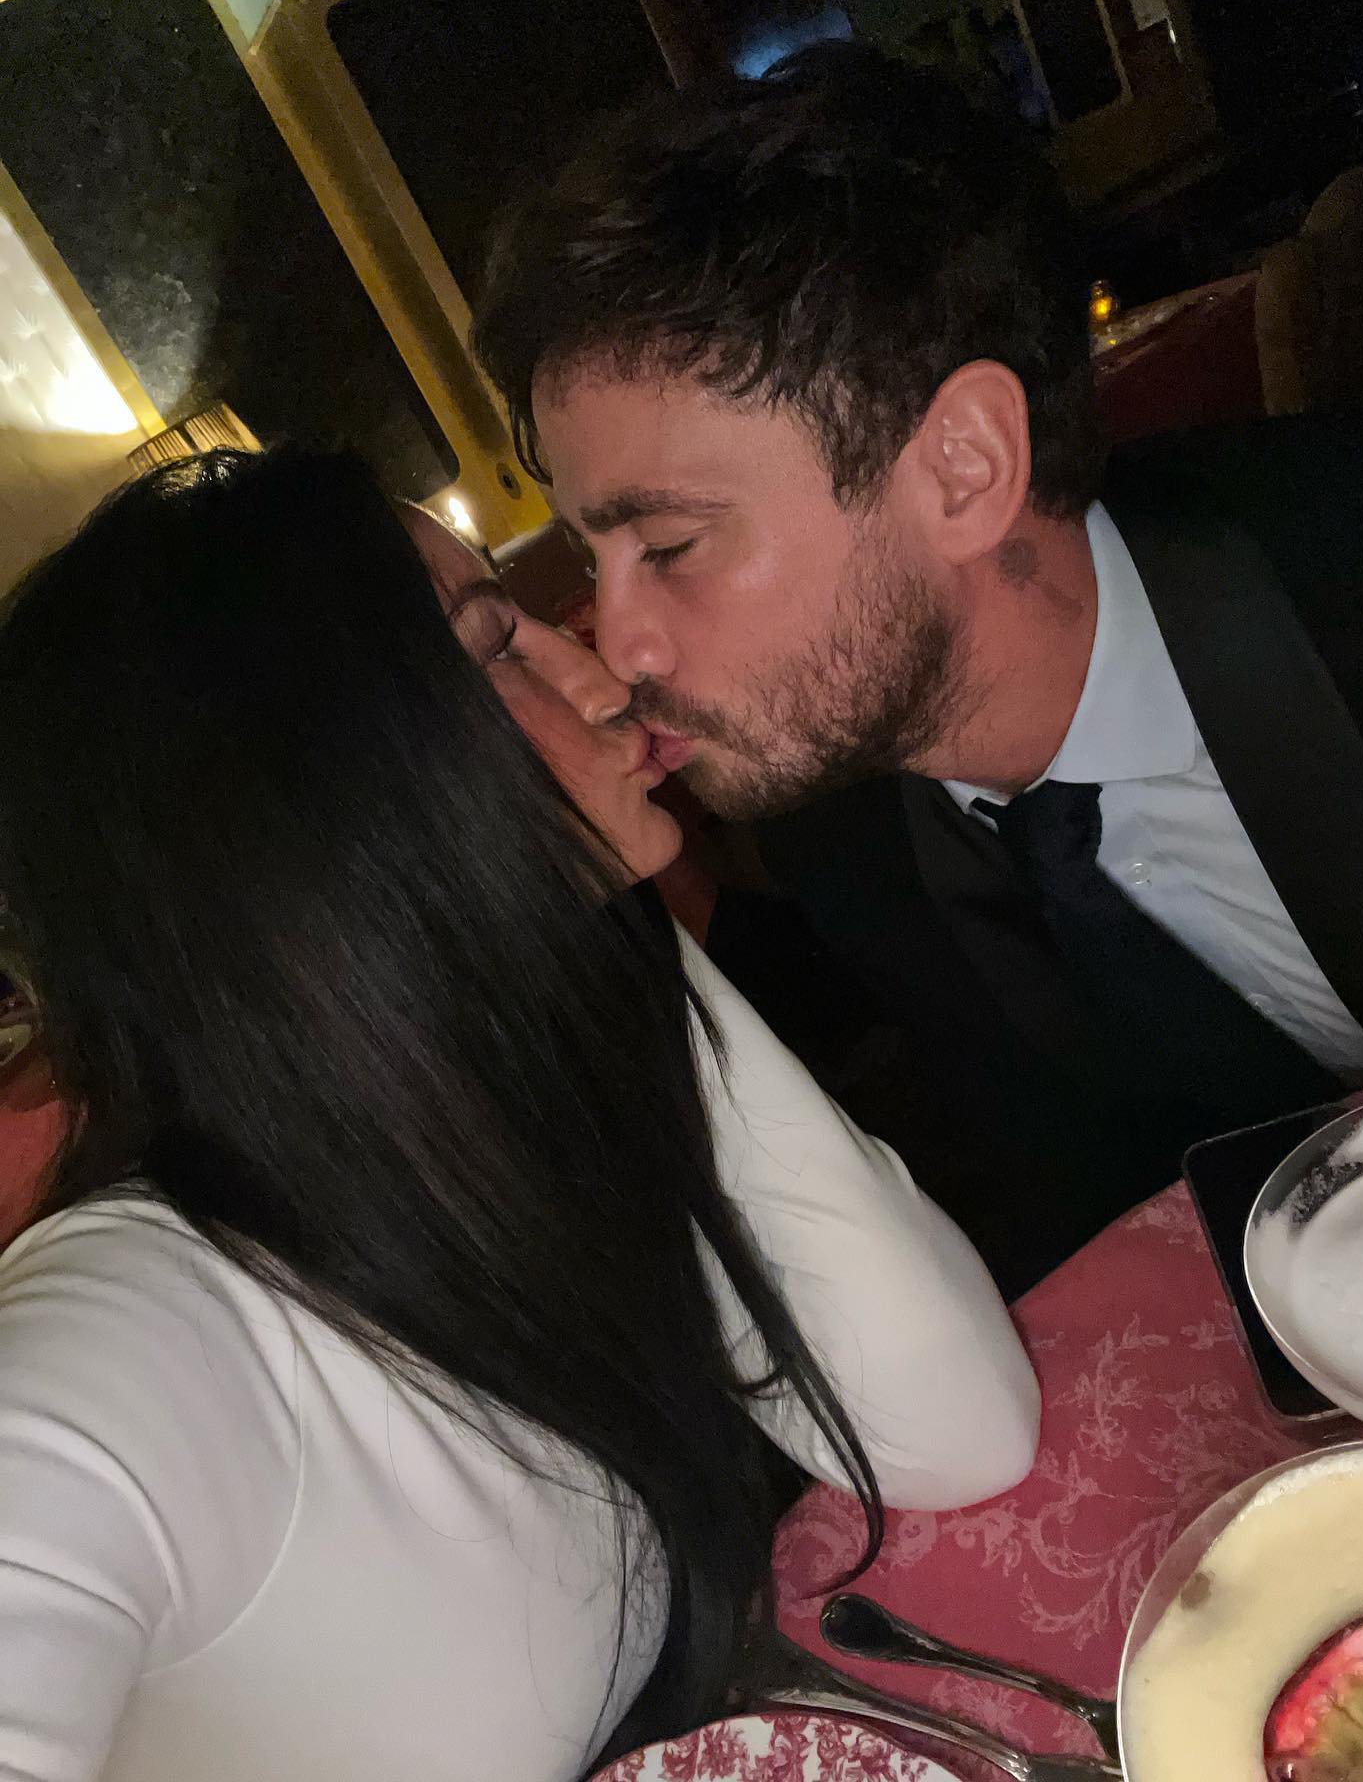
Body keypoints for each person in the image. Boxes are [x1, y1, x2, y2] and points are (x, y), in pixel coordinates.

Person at [0, 447, 1038, 1782]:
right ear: (322, 798)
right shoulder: (131, 1341)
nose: (600, 677)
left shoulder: (512, 1106)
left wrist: (607, 940)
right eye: (498, 646)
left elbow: (952, 1426)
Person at [474, 39, 1363, 1293]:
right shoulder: (848, 828)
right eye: (593, 557)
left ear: (964, 467)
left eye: (668, 544)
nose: (623, 650)